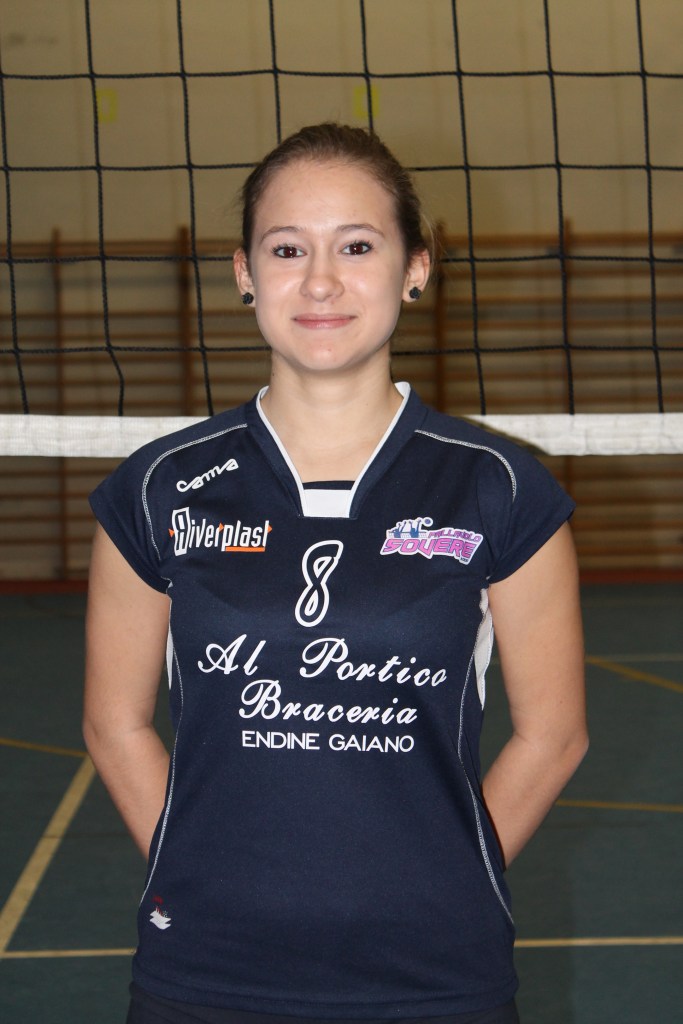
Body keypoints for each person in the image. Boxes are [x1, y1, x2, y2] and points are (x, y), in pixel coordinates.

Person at [84, 123, 588, 1024]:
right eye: (287, 249)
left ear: (415, 268)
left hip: (433, 975)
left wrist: (444, 876)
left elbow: (553, 736)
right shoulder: (160, 487)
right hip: (205, 971)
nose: (320, 281)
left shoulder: (497, 487)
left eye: (357, 246)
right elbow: (113, 724)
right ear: (243, 273)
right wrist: (195, 870)